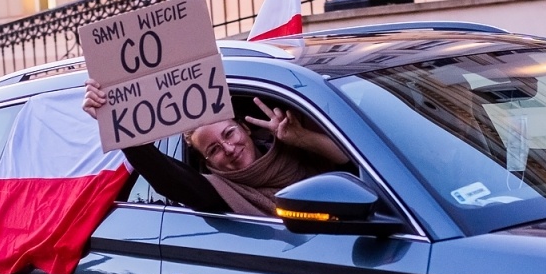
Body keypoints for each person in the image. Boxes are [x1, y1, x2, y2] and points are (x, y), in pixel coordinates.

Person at [83, 80, 348, 216]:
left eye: (229, 133)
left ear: (245, 128)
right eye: (214, 150)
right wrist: (117, 123)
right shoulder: (221, 193)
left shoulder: (299, 153)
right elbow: (168, 179)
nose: (229, 149)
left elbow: (356, 167)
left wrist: (303, 139)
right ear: (207, 163)